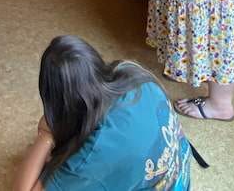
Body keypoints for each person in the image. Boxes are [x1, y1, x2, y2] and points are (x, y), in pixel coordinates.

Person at [15, 36, 192, 191]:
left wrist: (46, 135)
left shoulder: (91, 156)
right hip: (178, 180)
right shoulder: (131, 72)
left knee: (46, 168)